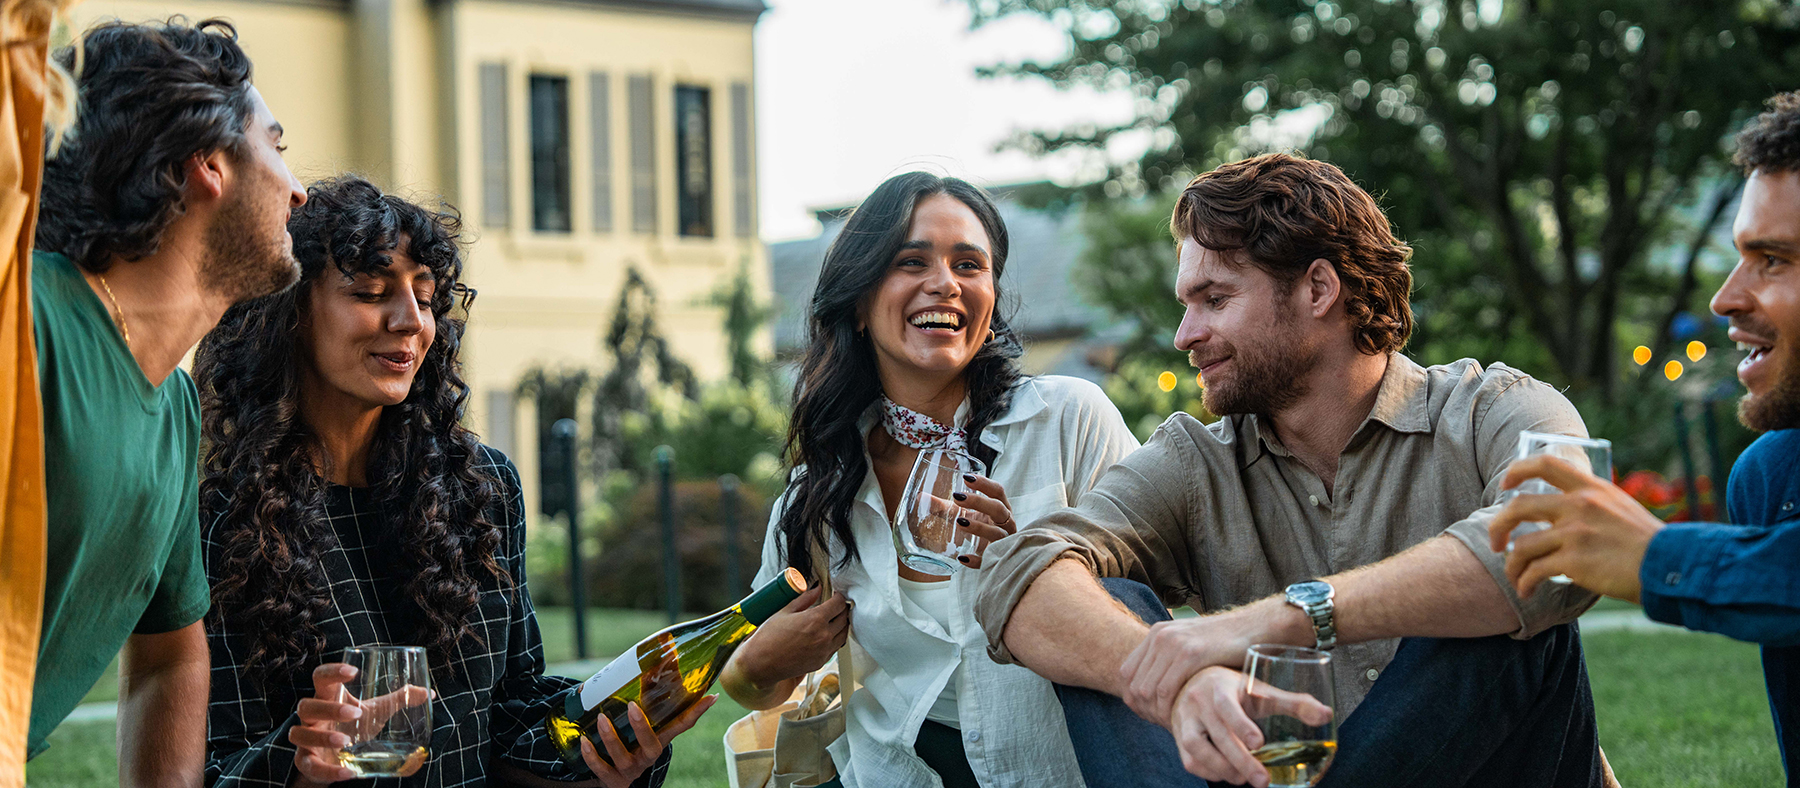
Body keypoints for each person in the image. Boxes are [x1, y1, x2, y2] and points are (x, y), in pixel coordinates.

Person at [975, 153, 1609, 788]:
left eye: (1214, 299)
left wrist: (1285, 616)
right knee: (1109, 607)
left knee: (1505, 592)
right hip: (1284, 774)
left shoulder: (1495, 412)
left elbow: (1571, 541)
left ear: (1318, 289)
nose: (1183, 334)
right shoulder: (1196, 462)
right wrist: (1174, 676)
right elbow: (1021, 571)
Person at [194, 176, 706, 787]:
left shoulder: (483, 489)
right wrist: (298, 761)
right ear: (290, 311)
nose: (410, 321)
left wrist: (606, 746)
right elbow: (213, 764)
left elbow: (509, 715)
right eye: (370, 292)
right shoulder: (223, 518)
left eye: (427, 296)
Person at [718, 172, 1140, 788]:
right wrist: (760, 660)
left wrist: (1033, 568)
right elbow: (749, 680)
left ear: (991, 299)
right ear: (861, 303)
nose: (945, 283)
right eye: (911, 261)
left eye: (970, 264)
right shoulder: (817, 492)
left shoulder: (1070, 420)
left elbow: (1149, 602)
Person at [1489, 91, 1800, 782]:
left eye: (1773, 260)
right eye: (1740, 256)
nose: (1725, 297)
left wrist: (1654, 553)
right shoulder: (1776, 477)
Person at [26, 18, 306, 783]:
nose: (298, 187)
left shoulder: (175, 410)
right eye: (276, 147)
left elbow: (169, 652)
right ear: (208, 163)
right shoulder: (31, 323)